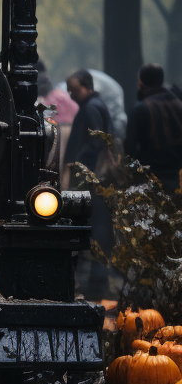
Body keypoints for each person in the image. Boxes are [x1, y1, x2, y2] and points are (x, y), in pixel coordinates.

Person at [64, 70, 114, 298]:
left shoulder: (91, 108)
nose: (69, 94)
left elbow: (97, 143)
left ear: (86, 86)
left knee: (95, 228)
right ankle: (96, 282)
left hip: (90, 179)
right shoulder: (93, 106)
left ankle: (96, 283)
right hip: (91, 178)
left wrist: (80, 164)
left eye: (73, 89)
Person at [124, 63, 182, 188]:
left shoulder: (140, 109)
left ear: (141, 82)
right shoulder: (178, 104)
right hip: (177, 176)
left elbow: (129, 147)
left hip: (150, 179)